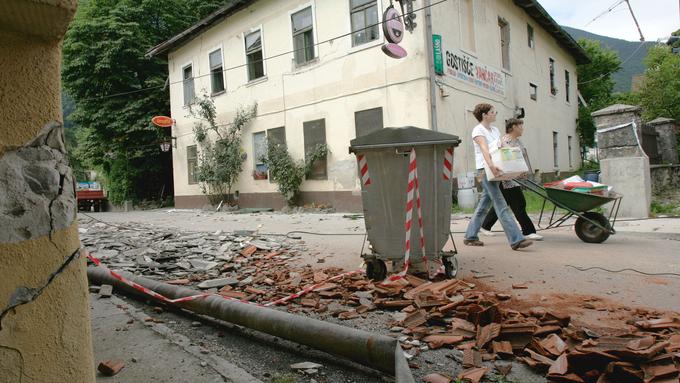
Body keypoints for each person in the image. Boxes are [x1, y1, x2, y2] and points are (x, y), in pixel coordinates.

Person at [463, 104, 533, 250]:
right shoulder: (478, 130)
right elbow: (484, 149)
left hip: (496, 168)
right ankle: (516, 239)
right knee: (500, 203)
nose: (495, 114)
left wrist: (515, 167)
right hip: (485, 169)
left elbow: (502, 149)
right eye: (492, 112)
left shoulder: (495, 130)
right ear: (484, 115)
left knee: (483, 205)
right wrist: (491, 166)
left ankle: (470, 236)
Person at [479, 118, 543, 241]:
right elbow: (498, 157)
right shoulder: (504, 141)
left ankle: (485, 226)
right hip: (506, 179)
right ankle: (528, 231)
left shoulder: (518, 141)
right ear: (513, 127)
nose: (522, 128)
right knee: (519, 204)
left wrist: (524, 171)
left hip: (515, 177)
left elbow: (521, 158)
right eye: (520, 126)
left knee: (503, 204)